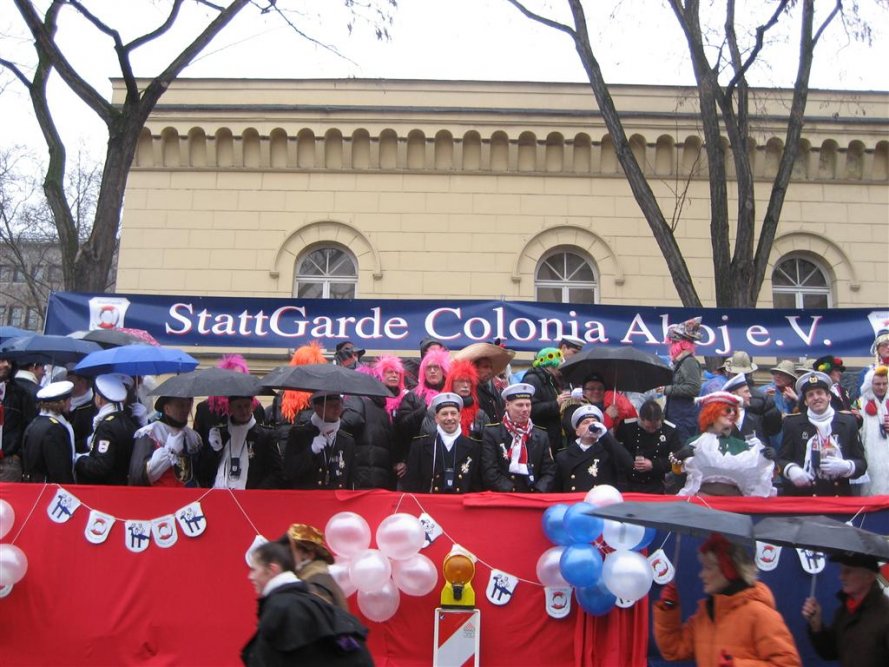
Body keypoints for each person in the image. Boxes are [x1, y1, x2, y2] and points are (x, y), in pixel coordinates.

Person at [653, 532, 801, 667]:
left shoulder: (761, 615)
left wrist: (736, 665)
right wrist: (668, 608)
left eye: (708, 568)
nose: (702, 575)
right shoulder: (705, 616)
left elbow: (789, 664)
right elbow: (673, 649)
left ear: (729, 571)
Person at [242, 541, 373, 667]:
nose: (250, 576)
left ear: (272, 569)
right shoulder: (304, 599)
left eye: (254, 569)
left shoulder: (282, 606)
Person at [778, 371, 867, 496]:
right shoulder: (792, 424)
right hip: (803, 496)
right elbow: (781, 460)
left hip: (838, 496)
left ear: (829, 396)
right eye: (810, 395)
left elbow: (862, 464)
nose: (816, 398)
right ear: (805, 401)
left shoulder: (848, 422)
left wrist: (847, 466)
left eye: (819, 393)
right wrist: (791, 470)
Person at [674, 391, 775, 497]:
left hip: (733, 503)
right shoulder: (696, 442)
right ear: (712, 412)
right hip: (703, 502)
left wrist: (768, 460)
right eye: (728, 410)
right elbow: (682, 481)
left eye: (735, 411)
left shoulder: (742, 445)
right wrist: (678, 460)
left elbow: (759, 480)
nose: (732, 413)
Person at [801, 552, 889, 667]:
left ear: (869, 577)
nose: (841, 577)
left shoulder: (885, 613)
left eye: (848, 571)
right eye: (841, 571)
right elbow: (830, 652)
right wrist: (816, 625)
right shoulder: (844, 611)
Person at [480, 383, 556, 492]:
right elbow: (490, 471)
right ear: (507, 405)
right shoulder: (493, 433)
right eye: (520, 405)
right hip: (506, 495)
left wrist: (538, 491)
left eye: (528, 405)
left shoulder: (541, 435)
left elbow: (549, 471)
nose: (525, 409)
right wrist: (513, 492)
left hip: (534, 494)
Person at [403, 392, 482, 494]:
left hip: (461, 503)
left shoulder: (474, 447)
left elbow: (477, 487)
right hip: (430, 503)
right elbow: (410, 486)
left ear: (460, 417)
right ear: (436, 418)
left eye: (453, 413)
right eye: (444, 414)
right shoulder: (420, 446)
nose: (449, 418)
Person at [199, 395, 284, 489]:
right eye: (239, 407)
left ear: (252, 406)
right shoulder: (221, 434)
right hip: (219, 492)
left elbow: (277, 472)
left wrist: (256, 492)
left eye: (247, 406)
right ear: (231, 408)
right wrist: (214, 450)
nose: (244, 411)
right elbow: (205, 472)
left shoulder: (265, 436)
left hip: (250, 494)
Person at [340, 362, 398, 490]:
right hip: (381, 476)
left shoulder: (356, 398)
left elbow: (351, 421)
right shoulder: (382, 409)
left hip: (361, 474)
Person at [75, 374, 139, 485]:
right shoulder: (126, 421)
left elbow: (100, 466)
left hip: (108, 487)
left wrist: (79, 459)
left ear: (99, 399)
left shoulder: (107, 426)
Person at [284, 392, 356, 490]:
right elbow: (289, 472)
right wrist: (311, 451)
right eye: (331, 405)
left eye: (339, 404)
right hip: (309, 497)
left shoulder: (347, 441)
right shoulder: (300, 435)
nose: (337, 409)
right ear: (318, 408)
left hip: (337, 498)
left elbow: (351, 480)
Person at [554, 404, 632, 492]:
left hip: (601, 499)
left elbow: (628, 465)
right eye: (586, 422)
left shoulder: (609, 451)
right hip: (576, 499)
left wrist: (605, 436)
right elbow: (556, 489)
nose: (591, 426)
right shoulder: (564, 456)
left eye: (594, 422)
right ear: (577, 431)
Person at [394, 349, 450, 471]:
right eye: (428, 368)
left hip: (447, 456)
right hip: (418, 457)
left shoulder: (451, 396)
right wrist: (425, 410)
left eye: (436, 367)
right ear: (423, 372)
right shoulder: (413, 396)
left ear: (443, 371)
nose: (432, 371)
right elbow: (402, 427)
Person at [129, 395, 203, 487]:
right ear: (167, 409)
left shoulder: (193, 437)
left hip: (190, 494)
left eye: (188, 405)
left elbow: (201, 472)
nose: (185, 410)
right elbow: (138, 477)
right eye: (180, 405)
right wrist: (169, 452)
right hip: (161, 493)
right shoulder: (150, 433)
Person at [192, 354, 265, 445]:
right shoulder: (205, 409)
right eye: (230, 380)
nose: (235, 384)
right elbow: (199, 445)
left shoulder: (255, 408)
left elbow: (262, 442)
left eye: (239, 378)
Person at [615, 399, 681, 494]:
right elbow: (618, 454)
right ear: (640, 419)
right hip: (629, 481)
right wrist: (631, 462)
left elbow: (676, 459)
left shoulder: (670, 431)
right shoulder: (627, 427)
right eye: (648, 427)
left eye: (655, 427)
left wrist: (653, 464)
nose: (652, 430)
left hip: (657, 482)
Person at [280, 523, 350, 611]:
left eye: (289, 551)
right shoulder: (318, 579)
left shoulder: (316, 584)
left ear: (308, 555)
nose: (284, 557)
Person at [22, 380, 76, 484]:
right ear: (62, 403)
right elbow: (59, 469)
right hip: (49, 487)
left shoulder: (35, 423)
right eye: (69, 401)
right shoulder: (54, 429)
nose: (70, 404)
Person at [661, 317, 703, 443]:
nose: (671, 347)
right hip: (678, 418)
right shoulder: (681, 362)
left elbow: (694, 388)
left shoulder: (688, 362)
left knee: (682, 449)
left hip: (684, 420)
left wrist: (667, 389)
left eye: (673, 343)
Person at [523, 347, 570, 455]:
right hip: (539, 439)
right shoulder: (533, 379)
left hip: (552, 437)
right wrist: (556, 403)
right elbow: (530, 409)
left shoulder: (552, 380)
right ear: (553, 363)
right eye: (561, 361)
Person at [453, 341, 514, 423]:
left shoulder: (491, 388)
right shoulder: (468, 391)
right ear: (474, 368)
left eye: (490, 367)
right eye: (485, 367)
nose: (490, 371)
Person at [561, 372, 637, 435]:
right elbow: (582, 433)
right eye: (591, 388)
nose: (596, 391)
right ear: (584, 391)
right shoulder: (574, 407)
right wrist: (608, 417)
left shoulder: (610, 407)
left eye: (600, 388)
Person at [0, 355, 36, 482]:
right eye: (1, 360)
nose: (6, 365)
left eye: (9, 361)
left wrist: (18, 455)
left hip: (8, 463)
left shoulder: (20, 394)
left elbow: (29, 427)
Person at [857, 366, 889, 495]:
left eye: (884, 384)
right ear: (870, 384)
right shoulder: (859, 403)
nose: (881, 387)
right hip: (870, 457)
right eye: (877, 384)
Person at [723, 373, 769, 443]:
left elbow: (764, 443)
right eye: (746, 392)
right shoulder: (720, 420)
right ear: (733, 394)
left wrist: (764, 447)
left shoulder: (755, 419)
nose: (750, 395)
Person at [64, 366, 97, 453]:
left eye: (70, 380)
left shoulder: (93, 407)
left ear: (82, 381)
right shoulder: (64, 403)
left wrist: (86, 443)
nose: (67, 383)